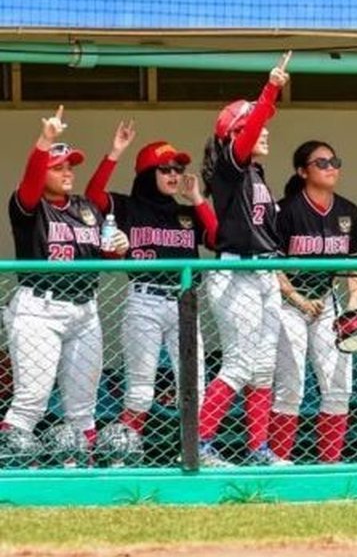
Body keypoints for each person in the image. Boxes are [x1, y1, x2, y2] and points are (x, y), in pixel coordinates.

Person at [0, 106, 129, 458]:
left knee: (83, 405)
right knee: (32, 400)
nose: (67, 172)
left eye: (70, 166)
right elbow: (29, 180)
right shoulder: (28, 205)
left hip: (86, 311)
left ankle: (81, 467)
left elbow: (105, 252)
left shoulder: (86, 208)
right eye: (58, 167)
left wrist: (119, 246)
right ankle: (8, 467)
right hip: (39, 309)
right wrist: (45, 141)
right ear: (43, 174)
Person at [85, 123, 217, 442]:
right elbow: (93, 196)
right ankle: (127, 450)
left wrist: (198, 198)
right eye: (165, 169)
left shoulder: (186, 213)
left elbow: (217, 238)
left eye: (178, 168)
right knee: (141, 388)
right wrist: (115, 152)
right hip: (145, 300)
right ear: (147, 174)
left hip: (184, 302)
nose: (174, 174)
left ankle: (199, 451)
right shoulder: (128, 207)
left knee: (194, 385)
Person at [195, 52, 293, 468]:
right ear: (237, 134)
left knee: (263, 368)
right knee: (238, 364)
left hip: (263, 273)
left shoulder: (256, 175)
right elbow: (250, 129)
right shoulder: (228, 168)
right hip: (235, 271)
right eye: (256, 126)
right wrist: (269, 89)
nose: (265, 131)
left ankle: (258, 450)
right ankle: (198, 444)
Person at [268, 140, 357, 464]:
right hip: (289, 304)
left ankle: (330, 464)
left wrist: (353, 303)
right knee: (291, 386)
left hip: (327, 302)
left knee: (339, 384)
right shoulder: (284, 210)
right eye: (321, 163)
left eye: (334, 161)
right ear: (302, 171)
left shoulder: (348, 211)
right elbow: (271, 266)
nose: (331, 168)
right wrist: (297, 299)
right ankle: (280, 463)